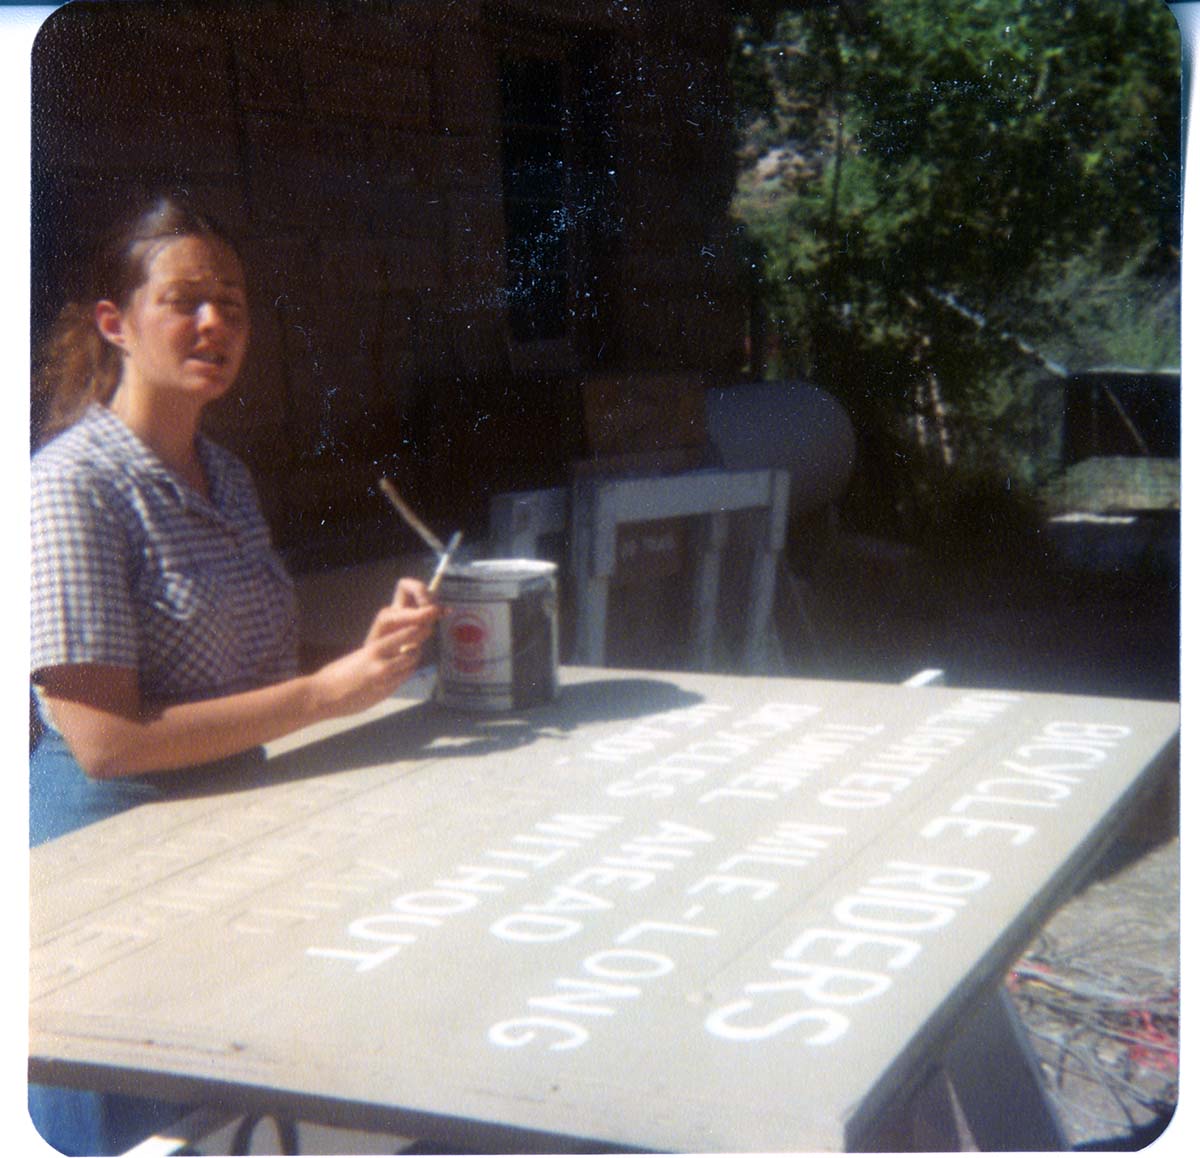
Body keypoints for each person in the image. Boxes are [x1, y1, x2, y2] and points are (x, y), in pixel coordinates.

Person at [29, 195, 442, 1153]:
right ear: (115, 322)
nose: (215, 322)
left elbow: (241, 675)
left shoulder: (228, 476)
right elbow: (104, 742)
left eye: (235, 303)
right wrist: (329, 692)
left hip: (237, 841)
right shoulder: (68, 488)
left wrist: (367, 650)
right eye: (184, 299)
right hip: (114, 875)